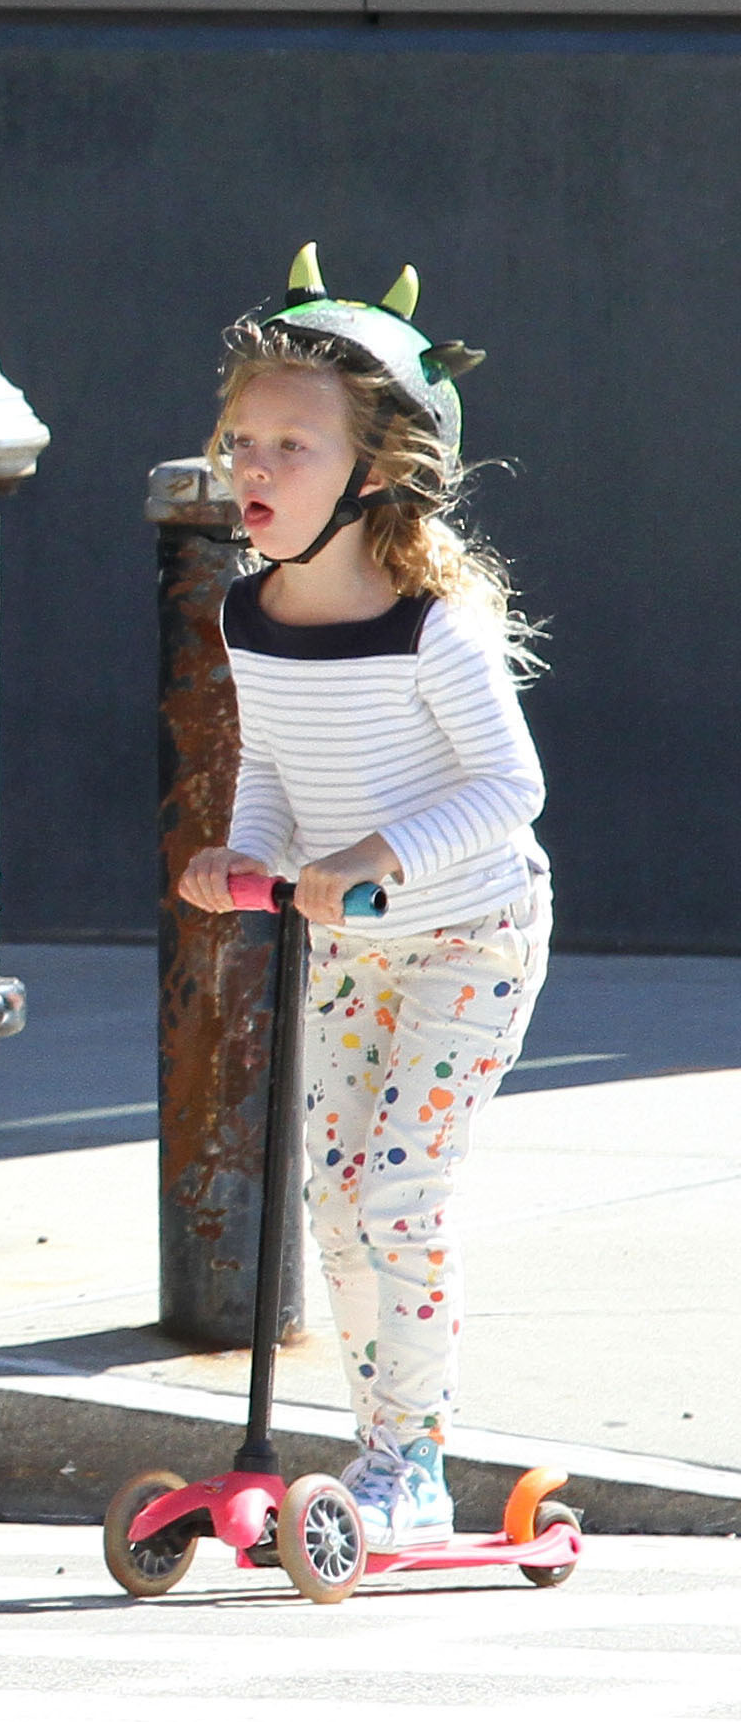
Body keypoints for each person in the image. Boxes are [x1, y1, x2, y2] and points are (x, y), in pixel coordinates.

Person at [171, 252, 545, 1546]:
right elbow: (272, 765)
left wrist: (377, 855)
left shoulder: (430, 623)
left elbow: (511, 787)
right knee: (332, 1193)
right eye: (243, 441)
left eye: (292, 445)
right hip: (345, 939)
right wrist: (246, 854)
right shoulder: (251, 612)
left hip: (469, 938)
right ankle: (374, 1447)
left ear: (376, 474)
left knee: (398, 1192)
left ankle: (417, 1466)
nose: (255, 470)